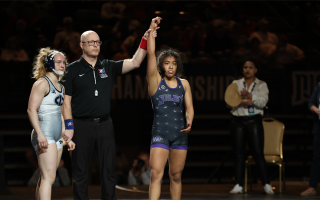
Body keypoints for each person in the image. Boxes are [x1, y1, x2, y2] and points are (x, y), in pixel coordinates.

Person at [61, 17, 161, 200]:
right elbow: (65, 102)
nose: (95, 45)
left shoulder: (107, 66)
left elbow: (135, 62)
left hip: (105, 125)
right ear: (82, 45)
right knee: (80, 172)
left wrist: (146, 36)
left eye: (97, 42)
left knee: (108, 172)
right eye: (91, 42)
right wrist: (68, 126)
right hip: (81, 125)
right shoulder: (71, 70)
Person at [147, 18, 194, 200]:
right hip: (160, 133)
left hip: (180, 133)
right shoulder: (155, 82)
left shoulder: (185, 84)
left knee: (175, 176)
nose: (171, 66)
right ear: (161, 66)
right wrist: (151, 31)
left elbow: (189, 108)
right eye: (167, 63)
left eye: (174, 63)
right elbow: (151, 54)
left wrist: (190, 120)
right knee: (156, 175)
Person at [27, 48, 75, 200]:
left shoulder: (61, 86)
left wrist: (67, 136)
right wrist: (40, 134)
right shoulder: (42, 83)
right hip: (45, 133)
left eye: (64, 62)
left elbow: (59, 114)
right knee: (49, 178)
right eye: (58, 62)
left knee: (46, 177)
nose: (62, 65)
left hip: (56, 135)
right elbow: (31, 110)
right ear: (49, 64)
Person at [228, 59, 274, 195]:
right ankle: (238, 184)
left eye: (250, 67)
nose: (247, 70)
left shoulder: (261, 84)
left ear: (255, 70)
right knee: (238, 154)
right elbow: (229, 102)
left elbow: (262, 102)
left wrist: (249, 96)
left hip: (254, 121)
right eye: (245, 67)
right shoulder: (235, 84)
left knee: (258, 153)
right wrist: (243, 101)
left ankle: (266, 183)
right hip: (238, 122)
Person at [300, 83, 320, 196]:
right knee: (317, 157)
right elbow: (311, 103)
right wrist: (316, 110)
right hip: (319, 127)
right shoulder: (319, 87)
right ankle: (312, 187)